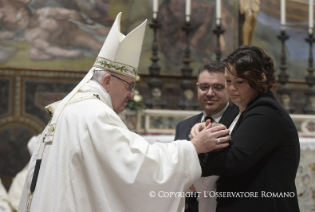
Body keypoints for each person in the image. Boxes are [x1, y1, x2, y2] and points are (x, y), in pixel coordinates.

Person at [17, 12, 231, 212]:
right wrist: (193, 148)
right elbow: (136, 168)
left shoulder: (76, 106)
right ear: (108, 80)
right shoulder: (94, 113)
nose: (131, 95)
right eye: (129, 86)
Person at [192, 45, 300, 212]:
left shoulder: (266, 112)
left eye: (239, 81)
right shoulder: (236, 109)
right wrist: (204, 131)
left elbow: (232, 162)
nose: (232, 88)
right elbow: (222, 143)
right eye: (228, 81)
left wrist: (189, 156)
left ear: (261, 78)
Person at [174, 61, 238, 212]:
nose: (209, 93)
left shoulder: (241, 121)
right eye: (204, 87)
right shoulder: (183, 127)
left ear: (229, 88)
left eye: (218, 87)